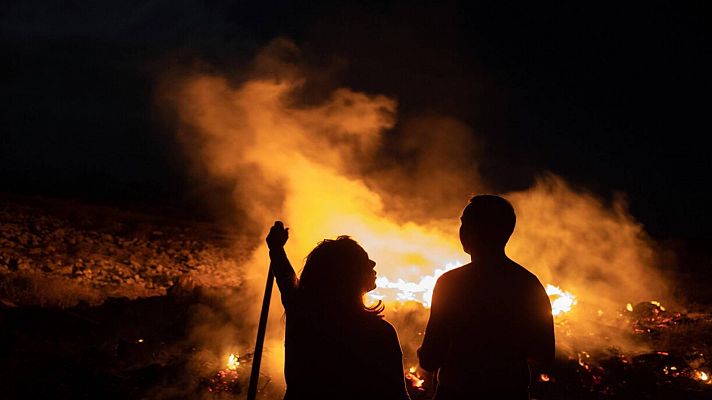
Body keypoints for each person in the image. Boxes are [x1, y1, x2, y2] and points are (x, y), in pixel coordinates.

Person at [417, 195, 555, 399]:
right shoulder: (528, 284)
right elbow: (545, 353)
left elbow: (430, 357)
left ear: (472, 232)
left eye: (465, 224)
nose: (461, 230)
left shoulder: (451, 283)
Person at [266, 221, 411, 400]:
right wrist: (276, 249)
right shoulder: (379, 332)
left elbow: (286, 279)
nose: (372, 263)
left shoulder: (303, 315)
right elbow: (395, 395)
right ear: (348, 277)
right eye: (363, 261)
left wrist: (276, 249)